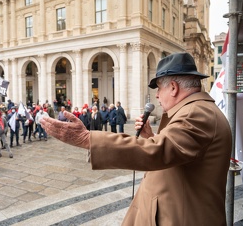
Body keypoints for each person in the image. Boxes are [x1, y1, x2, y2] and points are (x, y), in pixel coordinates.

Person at [40, 52, 232, 225]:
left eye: (158, 89)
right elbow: (177, 149)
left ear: (173, 87)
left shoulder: (196, 113)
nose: (156, 96)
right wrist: (151, 137)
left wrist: (86, 139)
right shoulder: (195, 110)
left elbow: (158, 152)